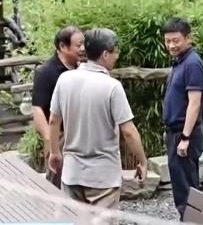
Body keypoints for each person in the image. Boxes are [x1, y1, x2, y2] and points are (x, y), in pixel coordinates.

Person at [47, 28, 147, 213]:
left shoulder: (65, 79)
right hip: (103, 177)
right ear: (105, 54)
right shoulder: (112, 86)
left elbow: (53, 120)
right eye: (116, 52)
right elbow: (128, 131)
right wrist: (142, 160)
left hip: (72, 173)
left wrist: (54, 152)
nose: (117, 56)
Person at [160, 17, 203, 219]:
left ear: (188, 38)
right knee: (181, 188)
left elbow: (194, 102)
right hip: (175, 132)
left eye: (176, 40)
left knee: (187, 189)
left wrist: (185, 137)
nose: (171, 45)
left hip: (184, 133)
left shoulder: (192, 63)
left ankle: (194, 221)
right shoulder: (180, 62)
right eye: (168, 41)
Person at [31, 25, 85, 188]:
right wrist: (51, 140)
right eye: (78, 45)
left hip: (81, 135)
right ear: (62, 46)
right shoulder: (46, 72)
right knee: (57, 185)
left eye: (84, 44)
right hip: (59, 136)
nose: (83, 49)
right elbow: (37, 109)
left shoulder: (82, 69)